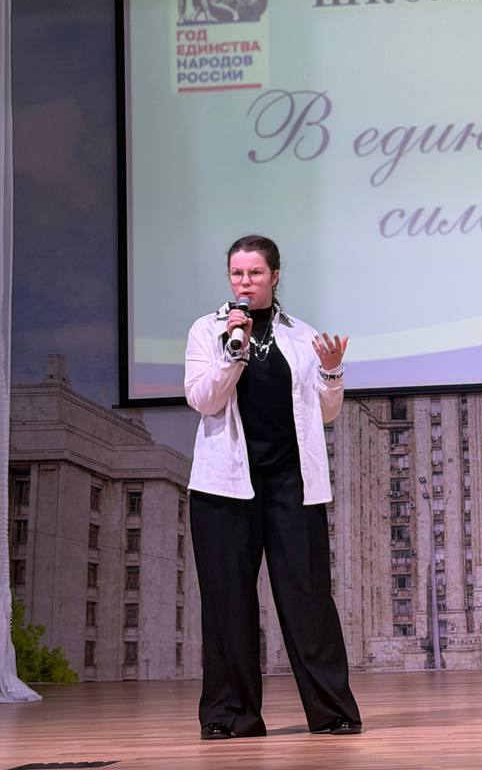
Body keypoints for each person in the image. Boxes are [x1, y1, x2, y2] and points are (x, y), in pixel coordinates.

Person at [184, 234, 362, 740]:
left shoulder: (301, 335)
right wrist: (233, 352)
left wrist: (331, 373)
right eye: (237, 274)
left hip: (291, 484)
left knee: (308, 599)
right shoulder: (208, 330)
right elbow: (204, 400)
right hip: (224, 487)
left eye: (255, 273)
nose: (245, 283)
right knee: (227, 603)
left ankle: (332, 711)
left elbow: (324, 413)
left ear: (275, 276)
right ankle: (230, 716)